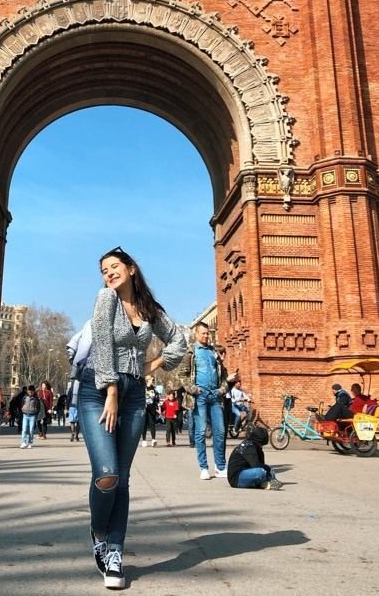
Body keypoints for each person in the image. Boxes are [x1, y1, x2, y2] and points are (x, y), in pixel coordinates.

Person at [78, 246, 186, 590]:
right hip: (98, 391)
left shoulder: (149, 309)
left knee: (122, 479)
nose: (108, 273)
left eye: (114, 267)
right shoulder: (105, 299)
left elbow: (178, 341)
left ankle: (115, 552)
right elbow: (103, 343)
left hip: (135, 394)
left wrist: (153, 364)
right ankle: (98, 532)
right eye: (103, 269)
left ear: (131, 268)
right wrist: (110, 390)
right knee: (107, 475)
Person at [177, 321, 228, 480]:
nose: (206, 336)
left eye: (208, 333)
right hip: (199, 396)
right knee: (200, 432)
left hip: (215, 395)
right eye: (203, 333)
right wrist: (194, 390)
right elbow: (182, 375)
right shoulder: (190, 352)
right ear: (196, 334)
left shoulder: (214, 352)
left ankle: (220, 467)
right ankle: (204, 468)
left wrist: (222, 389)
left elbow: (224, 374)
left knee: (220, 431)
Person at [141, 374, 159, 447]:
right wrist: (143, 403)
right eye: (152, 379)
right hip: (145, 408)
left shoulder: (154, 389)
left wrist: (157, 406)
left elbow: (157, 398)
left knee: (152, 424)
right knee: (144, 424)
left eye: (153, 380)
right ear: (148, 380)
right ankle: (144, 440)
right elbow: (140, 397)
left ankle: (153, 439)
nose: (153, 381)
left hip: (152, 408)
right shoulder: (143, 388)